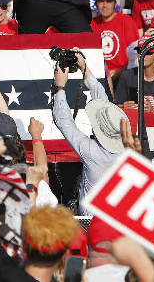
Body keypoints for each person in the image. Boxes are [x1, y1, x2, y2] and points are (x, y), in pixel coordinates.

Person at [51, 49, 125, 199]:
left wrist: (60, 87)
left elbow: (63, 121)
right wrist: (85, 68)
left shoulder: (94, 153)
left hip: (90, 220)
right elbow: (103, 104)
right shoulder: (126, 152)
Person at [114, 40, 154, 112]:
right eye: (140, 51)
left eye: (148, 52)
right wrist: (123, 106)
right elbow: (115, 106)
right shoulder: (126, 76)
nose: (143, 55)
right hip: (132, 121)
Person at [92, 0, 141, 78]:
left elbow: (135, 54)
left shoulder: (126, 21)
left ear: (115, 4)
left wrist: (119, 71)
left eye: (109, 1)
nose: (105, 5)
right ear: (96, 4)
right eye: (101, 1)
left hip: (124, 73)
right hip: (100, 74)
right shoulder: (92, 24)